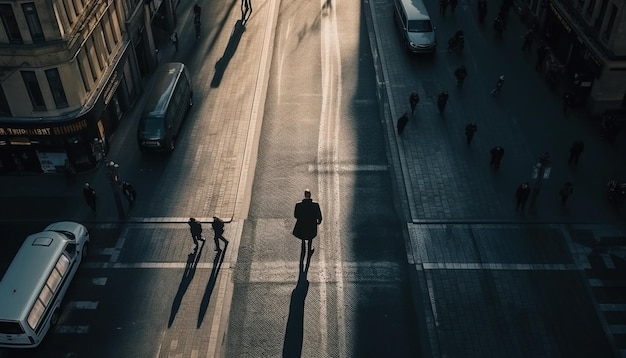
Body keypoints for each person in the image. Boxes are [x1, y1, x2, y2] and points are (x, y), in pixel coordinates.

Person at [292, 189, 322, 255]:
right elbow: (319, 215)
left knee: (303, 237)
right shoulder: (315, 205)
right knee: (310, 237)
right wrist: (319, 221)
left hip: (302, 225)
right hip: (311, 225)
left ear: (304, 195)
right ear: (310, 195)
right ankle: (309, 250)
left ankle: (303, 249)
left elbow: (296, 216)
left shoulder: (298, 205)